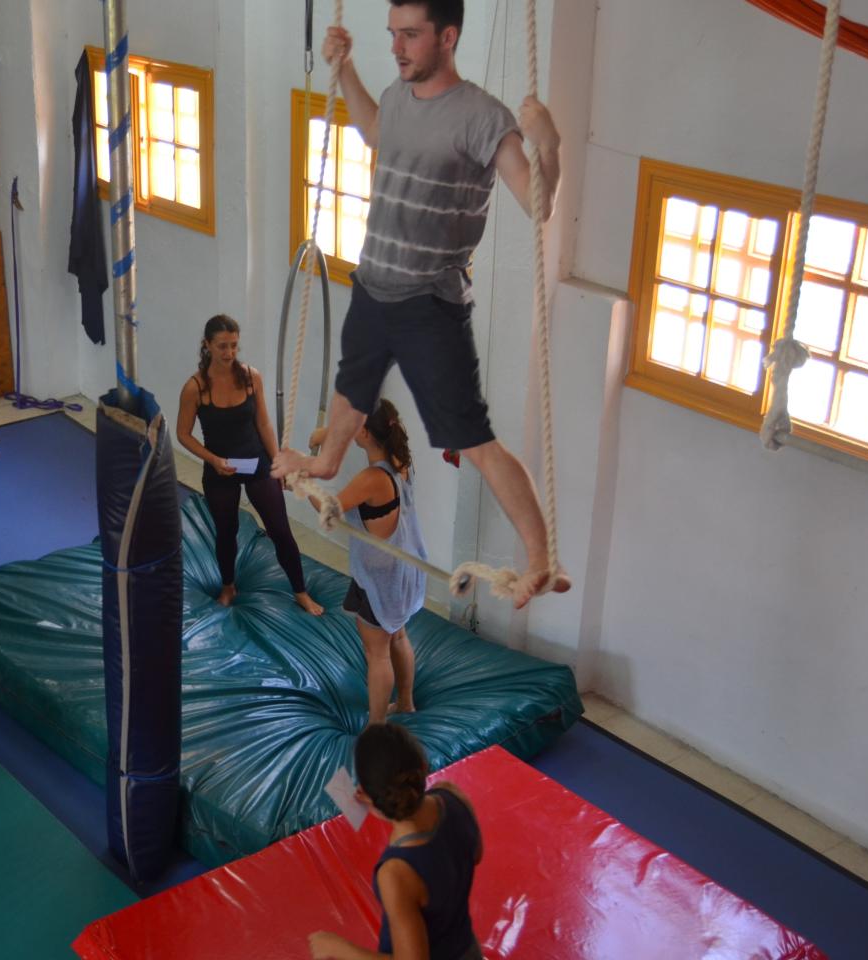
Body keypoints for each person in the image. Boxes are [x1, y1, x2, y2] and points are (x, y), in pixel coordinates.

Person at [272, 0, 571, 609]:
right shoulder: (400, 95)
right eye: (393, 35)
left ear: (448, 36)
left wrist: (552, 148)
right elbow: (378, 130)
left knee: (474, 439)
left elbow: (537, 204)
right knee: (353, 387)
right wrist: (347, 70)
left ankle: (541, 558)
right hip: (373, 283)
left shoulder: (484, 118)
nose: (399, 47)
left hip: (429, 303)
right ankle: (328, 461)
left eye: (410, 36)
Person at [177, 315, 323, 616]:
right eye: (221, 347)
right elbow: (182, 434)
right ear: (207, 345)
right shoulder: (195, 388)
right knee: (226, 530)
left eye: (233, 346)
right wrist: (212, 460)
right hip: (220, 468)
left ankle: (301, 591)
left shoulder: (250, 377)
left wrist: (279, 461)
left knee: (280, 530)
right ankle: (228, 586)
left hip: (256, 462)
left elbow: (264, 423)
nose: (229, 353)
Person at [308, 723, 483, 960]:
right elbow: (476, 854)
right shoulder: (452, 795)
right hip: (467, 949)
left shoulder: (396, 873)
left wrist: (338, 949)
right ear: (422, 766)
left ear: (365, 795)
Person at [328, 401, 425, 724]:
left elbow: (330, 509)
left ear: (366, 433)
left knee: (377, 652)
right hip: (405, 570)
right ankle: (407, 702)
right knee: (398, 635)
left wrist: (298, 482)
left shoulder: (371, 478)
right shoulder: (400, 460)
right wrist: (326, 435)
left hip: (381, 578)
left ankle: (377, 726)